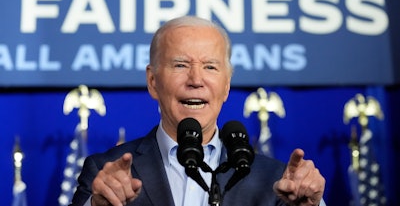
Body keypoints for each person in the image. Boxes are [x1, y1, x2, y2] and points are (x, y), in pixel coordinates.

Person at [70, 16, 326, 206]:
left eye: (210, 67)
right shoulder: (104, 172)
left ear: (226, 86)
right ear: (153, 82)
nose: (195, 79)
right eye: (180, 65)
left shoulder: (274, 179)